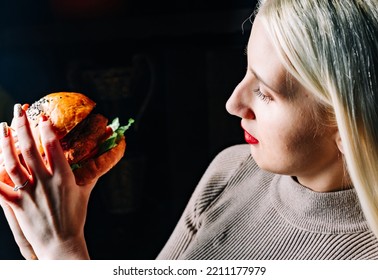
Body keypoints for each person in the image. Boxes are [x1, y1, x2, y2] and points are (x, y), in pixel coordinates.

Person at [0, 0, 378, 260]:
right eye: (246, 71)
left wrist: (63, 252)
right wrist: (43, 247)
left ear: (345, 125)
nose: (233, 104)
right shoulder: (231, 170)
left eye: (264, 92)